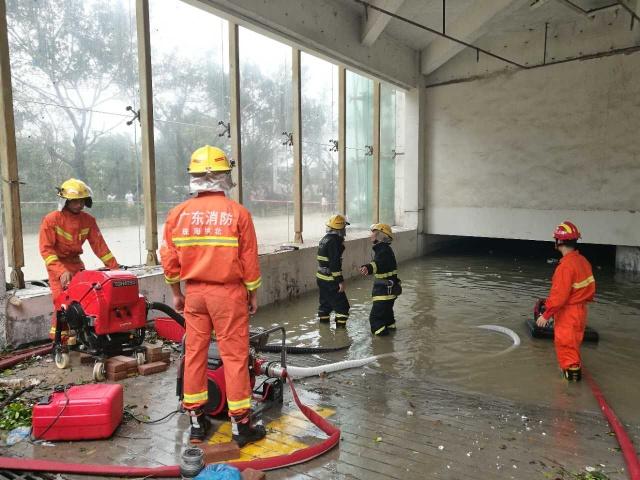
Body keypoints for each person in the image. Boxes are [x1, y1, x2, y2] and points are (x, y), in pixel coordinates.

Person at [160, 145, 266, 446]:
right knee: (234, 358)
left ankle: (196, 423)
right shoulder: (238, 213)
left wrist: (176, 294)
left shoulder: (177, 215)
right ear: (225, 177)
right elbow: (249, 260)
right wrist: (252, 293)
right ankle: (240, 427)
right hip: (228, 294)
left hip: (194, 294)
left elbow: (169, 259)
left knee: (194, 354)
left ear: (193, 178)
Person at [39, 178, 119, 341]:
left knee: (84, 299)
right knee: (61, 301)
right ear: (65, 201)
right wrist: (61, 271)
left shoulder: (88, 220)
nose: (79, 204)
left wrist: (115, 269)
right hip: (57, 266)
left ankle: (84, 336)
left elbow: (100, 247)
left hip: (76, 265)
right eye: (75, 201)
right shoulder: (51, 220)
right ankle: (59, 342)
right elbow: (46, 250)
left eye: (82, 200)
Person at [536, 221, 595, 381]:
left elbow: (559, 297)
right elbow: (590, 288)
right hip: (580, 311)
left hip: (568, 313)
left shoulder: (565, 267)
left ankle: (569, 395)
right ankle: (569, 376)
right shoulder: (583, 261)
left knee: (567, 349)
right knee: (573, 345)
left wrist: (546, 315)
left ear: (559, 242)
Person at [360, 224, 400, 336]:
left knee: (375, 318)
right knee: (387, 315)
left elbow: (379, 264)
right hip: (390, 292)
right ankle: (391, 334)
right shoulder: (386, 249)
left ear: (380, 236)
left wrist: (368, 268)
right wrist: (369, 266)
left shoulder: (382, 250)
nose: (370, 234)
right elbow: (382, 265)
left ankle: (381, 343)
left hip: (383, 292)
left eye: (373, 232)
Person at [316, 214, 350, 327]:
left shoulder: (324, 239)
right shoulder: (335, 242)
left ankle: (324, 334)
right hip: (330, 280)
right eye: (344, 228)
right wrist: (340, 281)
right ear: (340, 229)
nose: (345, 230)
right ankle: (341, 336)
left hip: (321, 278)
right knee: (343, 307)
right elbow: (334, 264)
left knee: (325, 305)